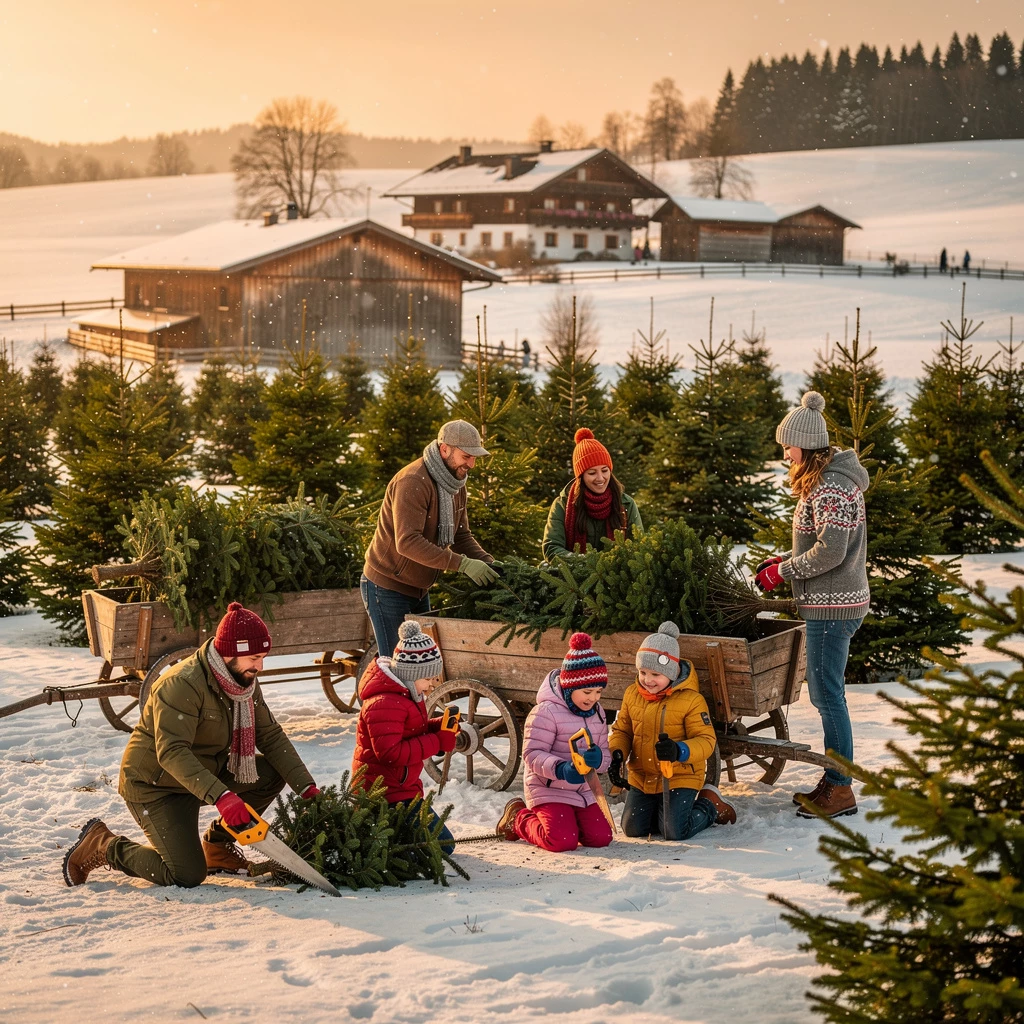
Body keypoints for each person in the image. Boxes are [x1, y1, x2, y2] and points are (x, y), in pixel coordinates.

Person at [62, 603, 320, 888]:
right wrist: (222, 796)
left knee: (271, 772)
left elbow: (269, 735)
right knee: (185, 875)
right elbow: (172, 752)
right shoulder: (183, 684)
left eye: (263, 657)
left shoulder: (242, 680)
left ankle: (218, 847)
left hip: (205, 770)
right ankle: (103, 844)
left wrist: (306, 787)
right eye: (254, 657)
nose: (259, 666)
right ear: (229, 653)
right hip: (156, 785)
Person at [754, 391, 869, 818]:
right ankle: (836, 778)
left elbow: (830, 552)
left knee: (827, 695)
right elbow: (818, 545)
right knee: (827, 693)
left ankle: (840, 788)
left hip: (832, 607)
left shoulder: (831, 487)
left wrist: (783, 573)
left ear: (805, 445)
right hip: (832, 601)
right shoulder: (828, 482)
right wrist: (782, 561)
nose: (785, 454)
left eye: (788, 447)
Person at [362, 419, 498, 658]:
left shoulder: (455, 483)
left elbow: (461, 535)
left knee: (421, 664)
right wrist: (462, 564)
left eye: (475, 457)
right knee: (398, 666)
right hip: (387, 587)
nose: (472, 464)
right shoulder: (413, 481)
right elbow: (407, 542)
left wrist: (490, 564)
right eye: (467, 456)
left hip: (420, 588)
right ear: (445, 449)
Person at [608, 621, 735, 840]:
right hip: (643, 776)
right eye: (643, 672)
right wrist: (617, 753)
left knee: (674, 831)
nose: (647, 680)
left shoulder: (692, 700)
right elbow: (623, 730)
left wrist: (680, 750)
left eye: (656, 674)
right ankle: (663, 811)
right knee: (633, 829)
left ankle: (710, 806)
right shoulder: (632, 694)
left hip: (679, 776)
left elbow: (706, 740)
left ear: (672, 672)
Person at [495, 631, 612, 852]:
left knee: (600, 838)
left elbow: (605, 754)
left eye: (599, 692)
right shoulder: (546, 712)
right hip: (549, 788)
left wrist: (600, 760)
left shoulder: (597, 713)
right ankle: (517, 817)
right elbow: (531, 754)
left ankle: (570, 820)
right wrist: (560, 768)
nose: (594, 698)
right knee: (561, 841)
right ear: (569, 686)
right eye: (588, 691)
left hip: (584, 790)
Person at [351, 620, 458, 851]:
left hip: (403, 790)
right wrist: (437, 741)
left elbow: (410, 730)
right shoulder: (384, 703)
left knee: (444, 844)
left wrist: (437, 727)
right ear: (411, 673)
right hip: (381, 796)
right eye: (427, 679)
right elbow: (391, 753)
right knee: (440, 848)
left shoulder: (406, 695)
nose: (430, 686)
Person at [542, 428, 643, 560]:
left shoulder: (626, 504)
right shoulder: (562, 505)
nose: (600, 478)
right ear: (581, 476)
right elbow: (551, 548)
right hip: (572, 578)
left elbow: (639, 547)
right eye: (592, 473)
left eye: (604, 470)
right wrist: (588, 563)